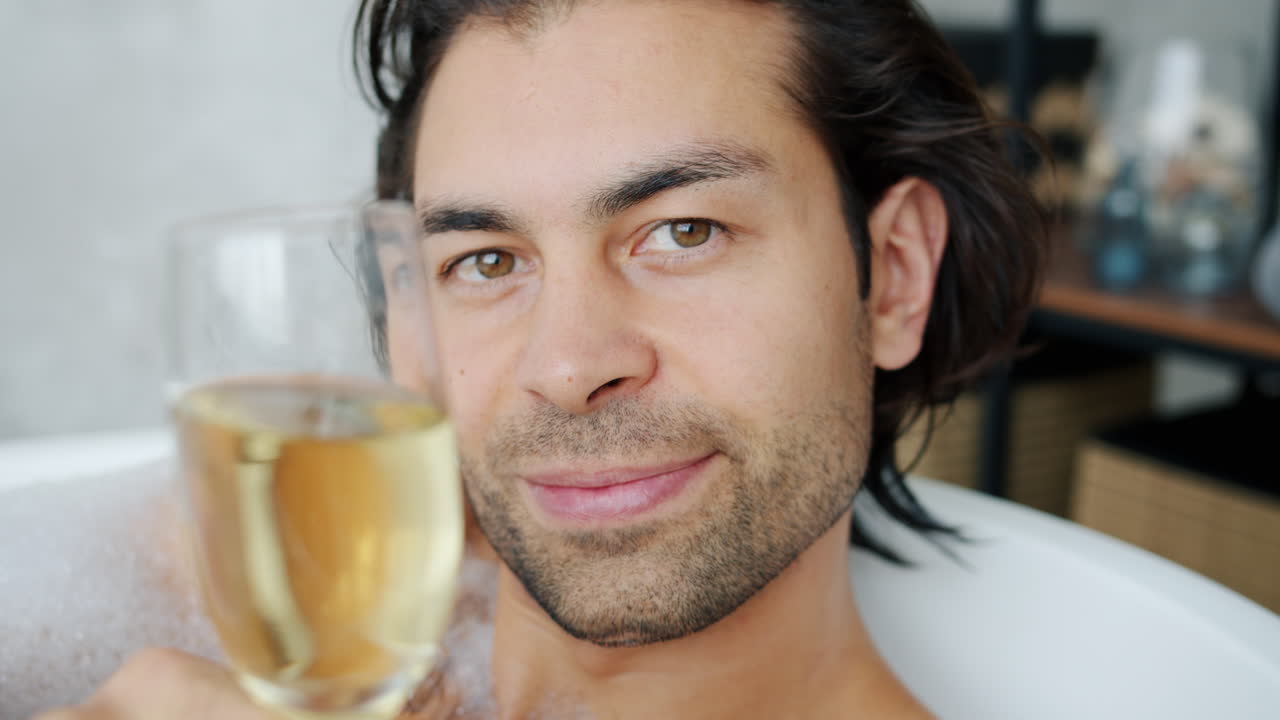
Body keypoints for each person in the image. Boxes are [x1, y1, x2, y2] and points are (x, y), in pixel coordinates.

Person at [36, 0, 1044, 717]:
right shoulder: (233, 583)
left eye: (682, 232)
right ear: (406, 315)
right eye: (484, 260)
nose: (567, 365)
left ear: (896, 275)